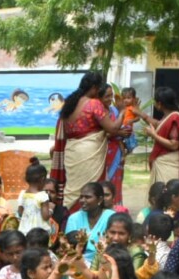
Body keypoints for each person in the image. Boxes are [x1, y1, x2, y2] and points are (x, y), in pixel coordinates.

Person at [50, 72, 131, 212]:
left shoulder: (71, 103)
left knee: (73, 190)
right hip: (89, 153)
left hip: (72, 152)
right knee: (91, 189)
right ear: (94, 88)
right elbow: (112, 127)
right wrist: (122, 111)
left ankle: (68, 219)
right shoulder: (94, 103)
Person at [136, 87, 179, 185]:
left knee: (167, 195)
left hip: (169, 164)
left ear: (160, 103)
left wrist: (154, 135)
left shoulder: (175, 117)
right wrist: (141, 114)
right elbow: (159, 124)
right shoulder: (169, 116)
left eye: (155, 102)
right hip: (163, 163)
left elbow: (174, 144)